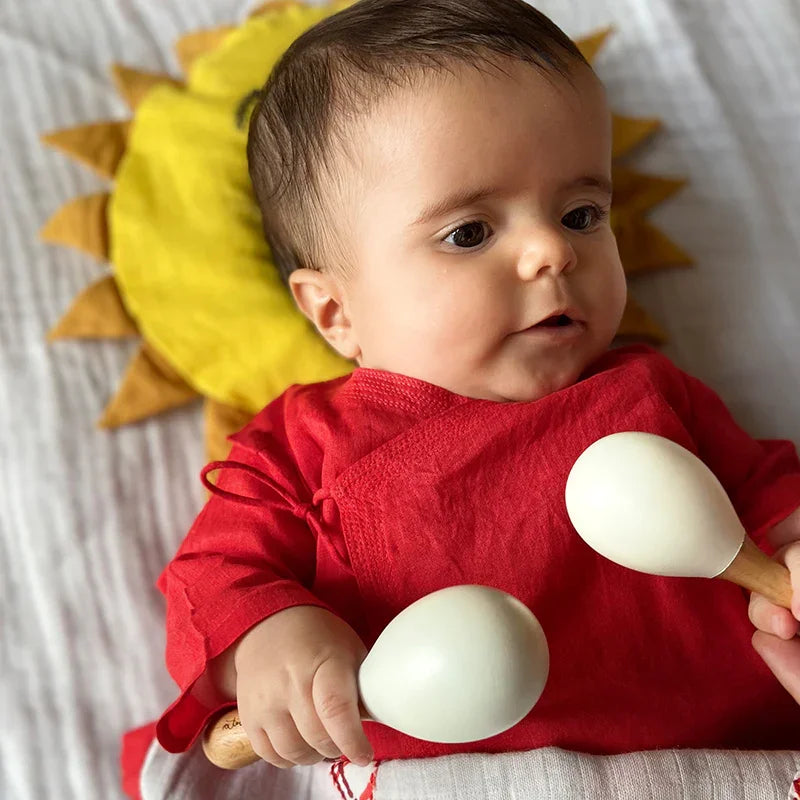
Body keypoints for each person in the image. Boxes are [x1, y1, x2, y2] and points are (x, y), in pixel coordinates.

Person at [140, 0, 800, 783]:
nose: (553, 250)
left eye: (582, 213)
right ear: (335, 311)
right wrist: (272, 637)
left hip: (725, 765)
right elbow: (215, 577)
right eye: (470, 232)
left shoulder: (654, 395)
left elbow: (768, 494)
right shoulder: (301, 446)